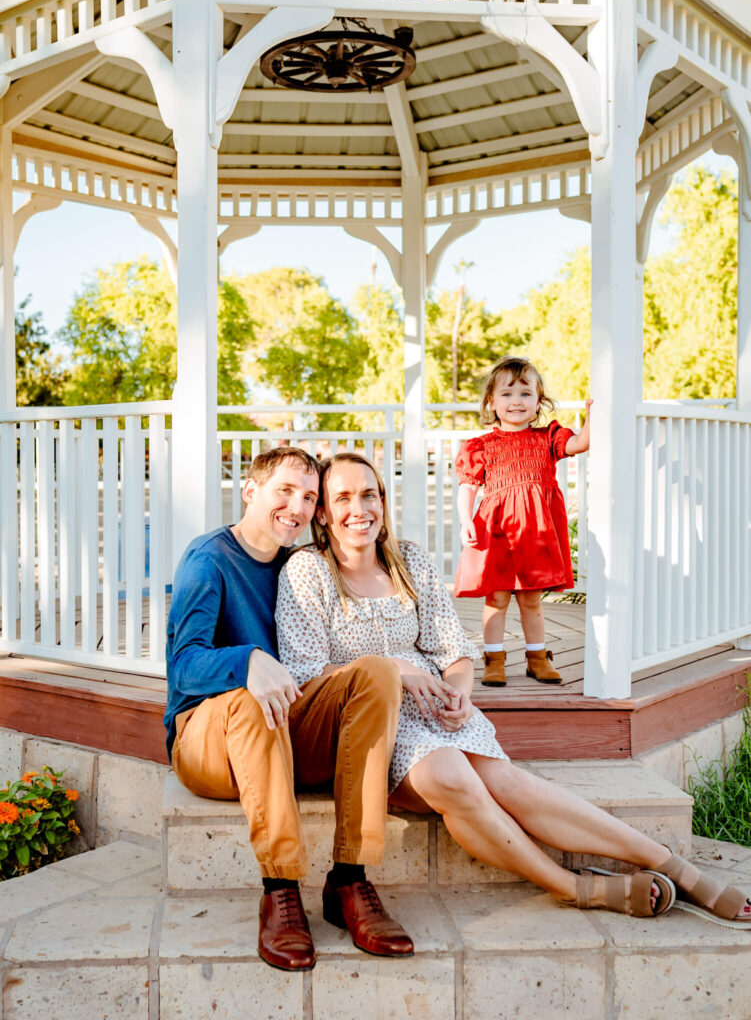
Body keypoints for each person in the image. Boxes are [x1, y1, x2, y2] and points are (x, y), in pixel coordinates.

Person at [276, 451, 751, 928]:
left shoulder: (409, 562)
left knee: (508, 782)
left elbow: (454, 653)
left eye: (369, 494)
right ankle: (572, 888)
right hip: (370, 725)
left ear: (383, 500)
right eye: (342, 498)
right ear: (322, 513)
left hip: (436, 712)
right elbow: (305, 674)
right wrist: (393, 669)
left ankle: (673, 864)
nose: (359, 509)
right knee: (454, 778)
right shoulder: (308, 571)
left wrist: (461, 693)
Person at [164, 446, 414, 975]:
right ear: (251, 491)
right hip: (207, 743)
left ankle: (350, 876)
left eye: (308, 498)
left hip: (279, 733)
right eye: (284, 491)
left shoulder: (295, 565)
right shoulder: (209, 559)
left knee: (377, 673)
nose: (297, 508)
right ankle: (280, 888)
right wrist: (246, 659)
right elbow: (183, 667)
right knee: (251, 697)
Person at [454, 356, 591, 687]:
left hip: (536, 533)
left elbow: (582, 443)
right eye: (507, 394)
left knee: (532, 600)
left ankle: (537, 658)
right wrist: (465, 520)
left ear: (539, 401)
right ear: (491, 401)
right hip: (498, 531)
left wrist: (593, 414)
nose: (516, 401)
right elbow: (468, 487)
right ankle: (494, 659)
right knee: (497, 598)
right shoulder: (481, 446)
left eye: (526, 394)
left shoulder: (548, 438)